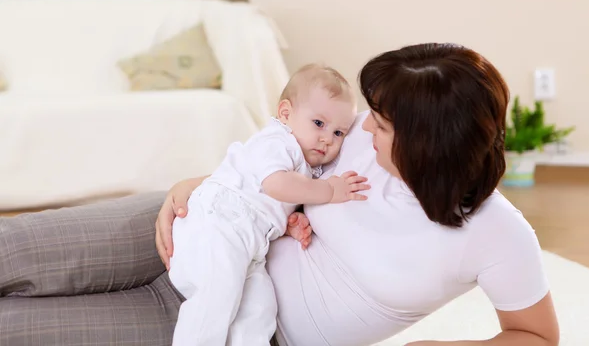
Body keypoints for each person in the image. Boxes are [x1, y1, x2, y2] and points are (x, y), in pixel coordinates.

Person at [0, 43, 559, 346]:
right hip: (206, 219)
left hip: (232, 323)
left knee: (15, 329)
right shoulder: (355, 137)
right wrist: (200, 184)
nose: (363, 129)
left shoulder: (499, 236)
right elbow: (279, 154)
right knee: (15, 247)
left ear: (430, 144)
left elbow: (536, 337)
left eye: (383, 124)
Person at [168, 63, 369, 345]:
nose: (327, 139)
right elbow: (275, 185)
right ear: (286, 113)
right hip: (218, 222)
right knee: (217, 294)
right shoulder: (278, 141)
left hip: (250, 244)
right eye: (319, 124)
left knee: (259, 310)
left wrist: (287, 223)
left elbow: (271, 200)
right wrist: (328, 191)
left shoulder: (305, 167)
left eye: (339, 133)